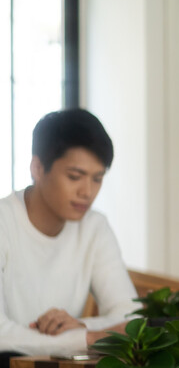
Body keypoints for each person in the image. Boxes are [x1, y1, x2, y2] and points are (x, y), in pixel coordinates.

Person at [0, 109, 138, 363]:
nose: (87, 191)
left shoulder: (95, 226)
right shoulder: (4, 221)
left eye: (97, 179)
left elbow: (131, 316)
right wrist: (86, 339)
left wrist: (80, 326)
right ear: (38, 168)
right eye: (75, 176)